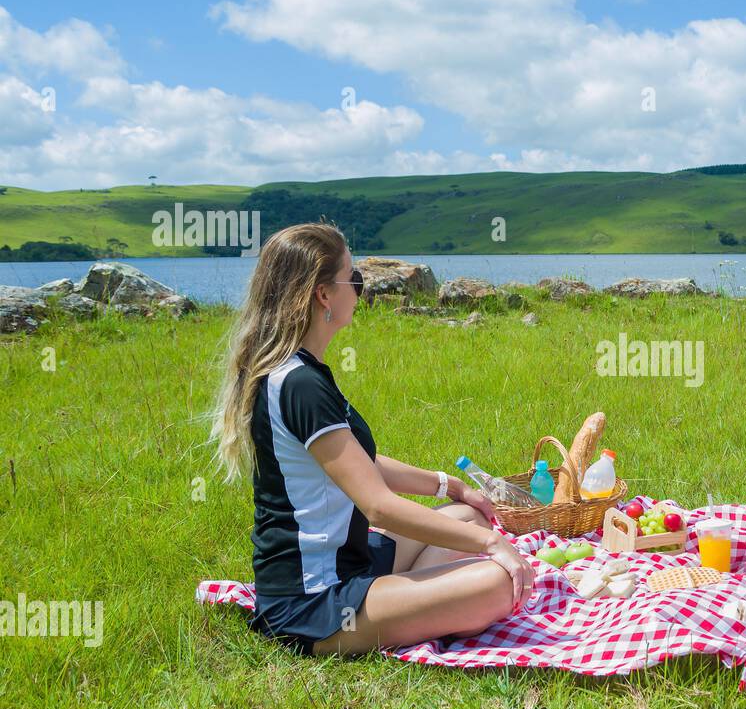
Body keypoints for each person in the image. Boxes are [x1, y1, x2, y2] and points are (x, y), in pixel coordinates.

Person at [207, 222, 534, 657]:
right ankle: (415, 605)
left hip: (350, 558)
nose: (359, 290)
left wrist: (449, 485)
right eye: (353, 279)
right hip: (313, 600)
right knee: (496, 581)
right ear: (324, 294)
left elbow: (358, 464)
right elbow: (377, 505)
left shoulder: (300, 371)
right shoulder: (300, 383)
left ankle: (414, 601)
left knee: (467, 519)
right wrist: (495, 545)